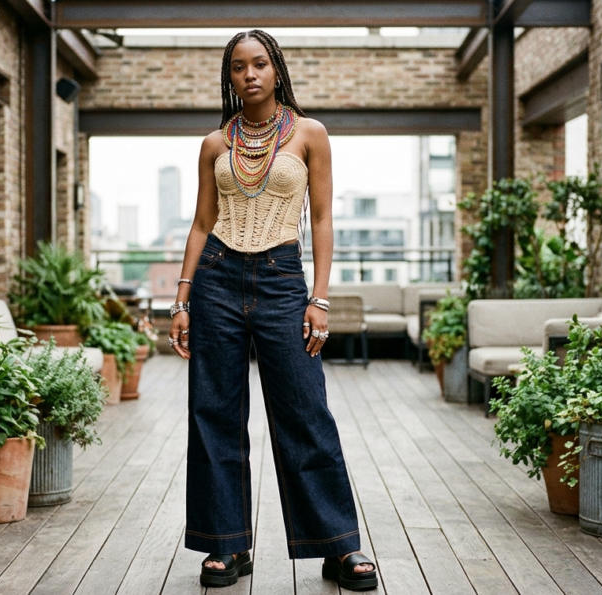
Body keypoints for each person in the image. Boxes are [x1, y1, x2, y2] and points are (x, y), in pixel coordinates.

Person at [167, 30, 379, 592]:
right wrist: (181, 300)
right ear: (230, 77)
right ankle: (225, 546)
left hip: (285, 279)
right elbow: (201, 224)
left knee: (306, 411)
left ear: (277, 70)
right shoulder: (215, 143)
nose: (250, 74)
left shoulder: (310, 133)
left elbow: (324, 220)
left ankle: (337, 547)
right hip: (216, 279)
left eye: (260, 64)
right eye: (238, 67)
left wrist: (321, 297)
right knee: (213, 412)